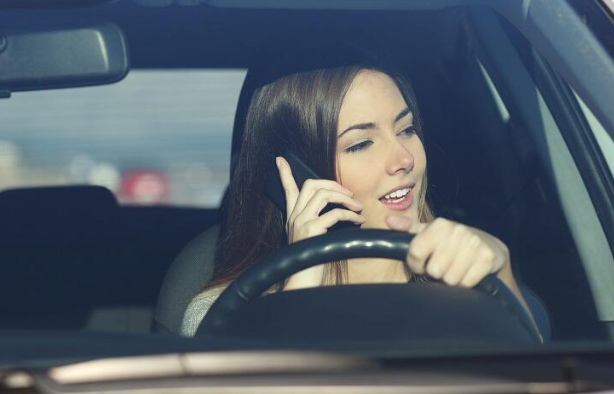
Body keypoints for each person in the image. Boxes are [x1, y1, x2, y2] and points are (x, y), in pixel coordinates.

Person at [180, 43, 546, 339]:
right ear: (295, 174)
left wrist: (502, 276)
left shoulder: (464, 280)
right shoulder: (224, 313)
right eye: (360, 144)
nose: (403, 158)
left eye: (406, 130)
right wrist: (303, 279)